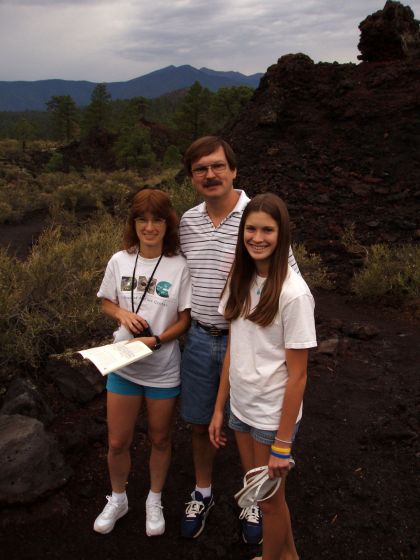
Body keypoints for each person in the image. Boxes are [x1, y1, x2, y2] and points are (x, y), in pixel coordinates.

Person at [179, 136, 300, 542]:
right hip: (199, 337)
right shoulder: (188, 221)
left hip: (246, 341)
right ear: (192, 177)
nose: (210, 175)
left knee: (250, 423)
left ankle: (254, 500)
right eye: (200, 169)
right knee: (201, 422)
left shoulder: (258, 218)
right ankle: (204, 490)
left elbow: (286, 276)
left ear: (233, 170)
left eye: (217, 166)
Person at [209, 193, 317, 560]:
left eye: (267, 230)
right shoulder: (240, 280)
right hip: (241, 408)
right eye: (251, 228)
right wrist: (220, 407)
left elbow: (299, 376)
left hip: (272, 418)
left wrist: (283, 443)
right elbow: (234, 349)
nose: (258, 237)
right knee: (263, 497)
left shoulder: (293, 294)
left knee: (268, 503)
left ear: (281, 234)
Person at [93, 189, 191, 537]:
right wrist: (121, 312)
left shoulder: (179, 265)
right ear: (133, 224)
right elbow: (106, 301)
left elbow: (184, 320)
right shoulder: (120, 260)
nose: (149, 227)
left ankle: (154, 498)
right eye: (142, 220)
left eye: (157, 220)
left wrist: (159, 339)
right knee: (117, 442)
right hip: (123, 364)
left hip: (162, 368)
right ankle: (118, 498)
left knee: (160, 439)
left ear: (168, 224)